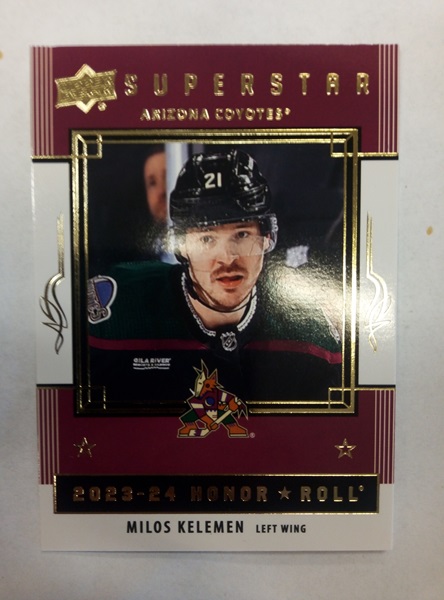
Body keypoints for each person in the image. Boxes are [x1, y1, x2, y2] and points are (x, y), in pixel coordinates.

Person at [88, 150, 342, 429]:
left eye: (242, 234)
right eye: (207, 238)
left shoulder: (311, 332)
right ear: (181, 245)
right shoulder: (116, 310)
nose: (227, 258)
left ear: (267, 237)